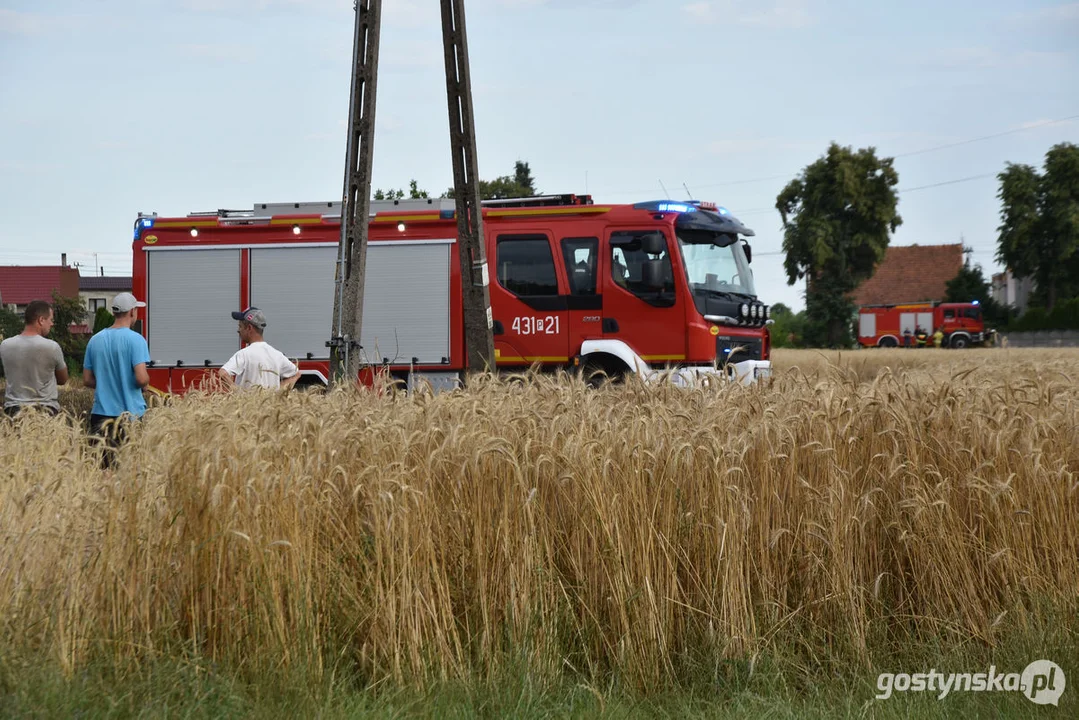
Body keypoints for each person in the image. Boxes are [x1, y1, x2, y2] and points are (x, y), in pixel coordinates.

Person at [83, 292, 152, 467]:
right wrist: (142, 383)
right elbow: (141, 378)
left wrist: (108, 383)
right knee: (129, 469)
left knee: (104, 470)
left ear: (114, 313)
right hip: (130, 416)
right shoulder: (136, 340)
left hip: (100, 415)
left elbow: (87, 380)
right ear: (132, 312)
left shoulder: (95, 340)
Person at [0, 299, 68, 417]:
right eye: (50, 320)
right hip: (45, 411)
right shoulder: (52, 347)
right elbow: (63, 379)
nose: (52, 324)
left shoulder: (5, 345)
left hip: (13, 412)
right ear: (41, 320)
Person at [218, 307, 300, 391]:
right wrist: (277, 392)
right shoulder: (277, 355)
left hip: (248, 404)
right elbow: (296, 374)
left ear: (249, 328)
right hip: (271, 403)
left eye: (240, 326)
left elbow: (222, 373)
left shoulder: (243, 354)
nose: (238, 330)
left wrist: (239, 393)